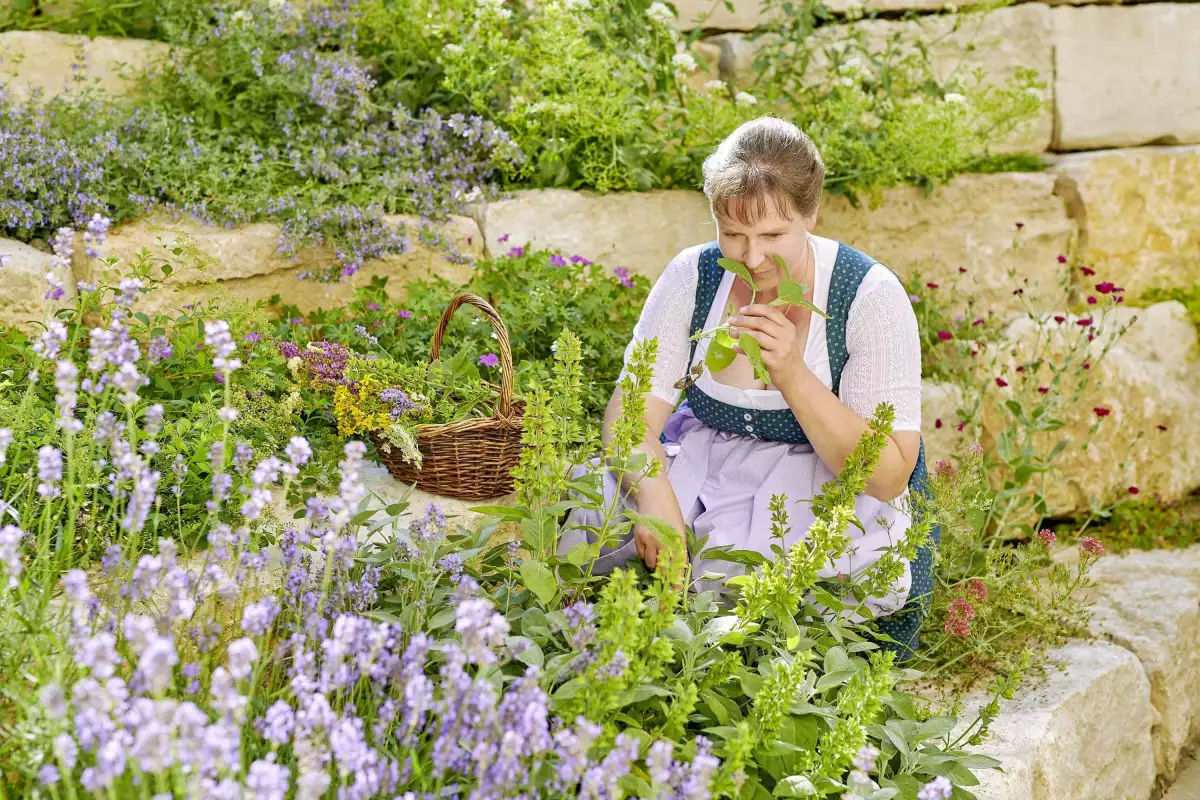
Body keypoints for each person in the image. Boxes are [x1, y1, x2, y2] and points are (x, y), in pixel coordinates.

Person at [557, 115, 937, 655]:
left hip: (821, 484)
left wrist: (790, 373)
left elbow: (887, 475)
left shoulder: (867, 295)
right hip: (708, 461)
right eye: (733, 234)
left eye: (773, 236)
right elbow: (631, 414)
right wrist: (655, 499)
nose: (752, 258)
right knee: (590, 511)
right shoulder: (695, 274)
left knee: (741, 581)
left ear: (811, 214)